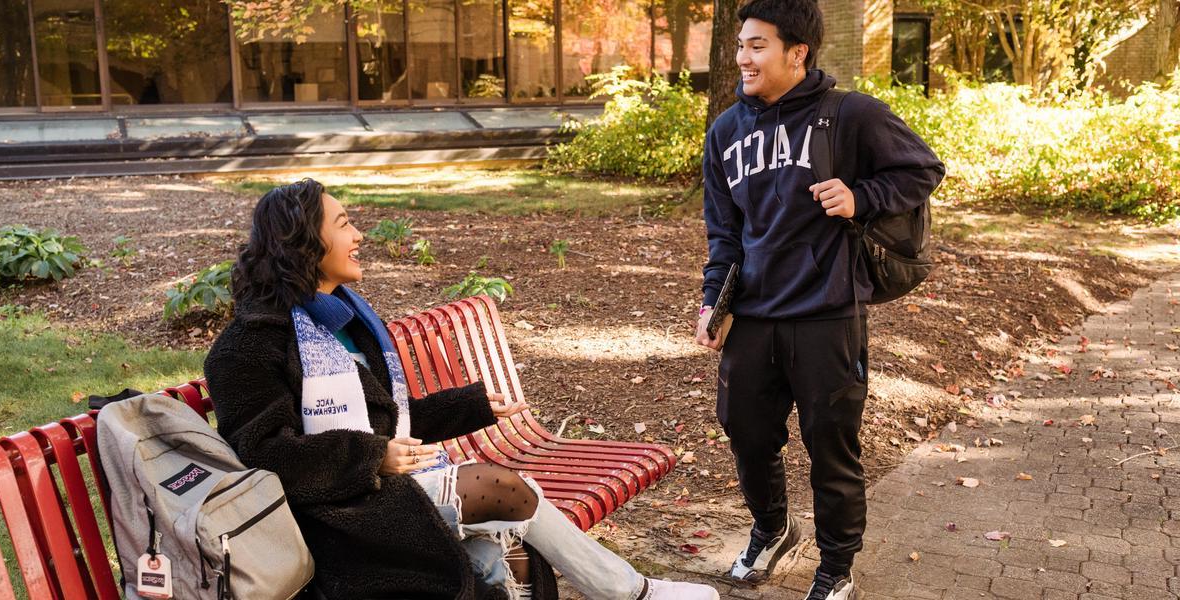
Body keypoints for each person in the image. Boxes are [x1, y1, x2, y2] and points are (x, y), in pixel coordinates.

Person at [205, 178, 721, 600]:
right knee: (505, 491)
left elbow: (390, 419)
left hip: (382, 490)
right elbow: (263, 454)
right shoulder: (249, 344)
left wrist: (470, 406)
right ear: (304, 243)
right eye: (343, 224)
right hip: (339, 513)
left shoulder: (347, 322)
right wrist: (372, 457)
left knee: (499, 560)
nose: (359, 235)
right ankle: (632, 594)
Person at [693, 1, 945, 599]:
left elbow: (923, 169)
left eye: (757, 46)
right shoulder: (726, 131)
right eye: (739, 46)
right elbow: (724, 233)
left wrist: (862, 196)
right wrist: (713, 303)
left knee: (831, 444)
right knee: (746, 432)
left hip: (827, 313)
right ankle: (773, 527)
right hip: (753, 313)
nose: (742, 58)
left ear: (797, 52)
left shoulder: (849, 114)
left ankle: (836, 569)